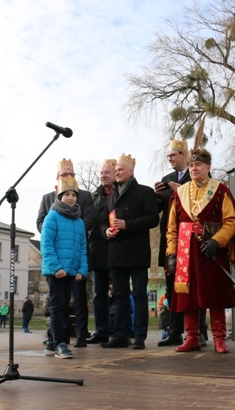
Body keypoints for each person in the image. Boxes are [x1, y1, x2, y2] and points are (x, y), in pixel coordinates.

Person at [165, 148, 235, 354]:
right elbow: (172, 227)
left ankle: (219, 338)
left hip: (211, 250)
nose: (194, 168)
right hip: (185, 252)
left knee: (214, 293)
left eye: (198, 165)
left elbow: (231, 221)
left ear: (208, 167)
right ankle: (192, 337)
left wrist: (217, 241)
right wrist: (171, 253)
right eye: (191, 165)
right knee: (188, 295)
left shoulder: (220, 191)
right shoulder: (178, 194)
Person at [100, 154, 159, 350]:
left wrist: (127, 224)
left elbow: (153, 219)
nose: (117, 172)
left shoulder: (145, 192)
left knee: (139, 294)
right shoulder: (112, 197)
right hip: (116, 253)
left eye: (120, 169)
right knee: (119, 296)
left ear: (131, 172)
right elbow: (103, 222)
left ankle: (140, 336)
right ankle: (120, 335)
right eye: (115, 169)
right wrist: (106, 231)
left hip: (137, 252)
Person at [37, 158, 96, 349]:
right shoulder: (51, 216)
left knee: (68, 304)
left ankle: (56, 340)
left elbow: (81, 247)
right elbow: (46, 244)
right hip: (56, 269)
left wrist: (82, 269)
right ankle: (59, 341)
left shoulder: (78, 220)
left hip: (72, 268)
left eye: (73, 195)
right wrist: (56, 267)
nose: (70, 198)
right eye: (66, 194)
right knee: (58, 305)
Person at [155, 139, 208, 347]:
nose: (170, 158)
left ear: (184, 155)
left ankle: (199, 332)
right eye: (168, 156)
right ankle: (174, 331)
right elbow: (162, 208)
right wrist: (157, 196)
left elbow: (206, 201)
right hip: (171, 238)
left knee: (195, 286)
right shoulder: (166, 178)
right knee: (172, 288)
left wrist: (184, 189)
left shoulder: (197, 174)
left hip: (192, 238)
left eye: (174, 155)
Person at [86, 159, 117, 345]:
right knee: (99, 294)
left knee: (120, 292)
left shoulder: (121, 193)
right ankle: (101, 330)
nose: (103, 175)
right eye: (102, 173)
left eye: (107, 172)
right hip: (98, 248)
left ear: (115, 174)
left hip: (117, 249)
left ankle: (122, 329)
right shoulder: (93, 196)